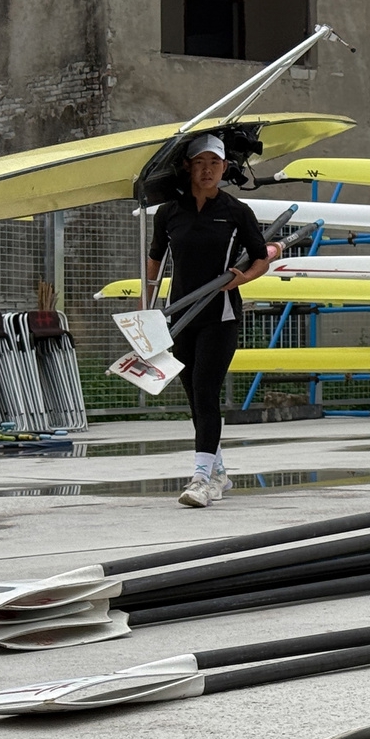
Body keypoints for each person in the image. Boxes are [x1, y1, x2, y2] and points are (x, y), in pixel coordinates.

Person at [145, 134, 270, 508]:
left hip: (221, 314)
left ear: (224, 167)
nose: (207, 170)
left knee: (205, 390)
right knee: (194, 397)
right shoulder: (169, 213)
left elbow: (261, 258)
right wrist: (145, 312)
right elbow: (154, 261)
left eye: (214, 163)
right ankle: (219, 473)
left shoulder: (236, 211)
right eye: (200, 162)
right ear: (187, 166)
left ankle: (201, 479)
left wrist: (241, 279)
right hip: (181, 315)